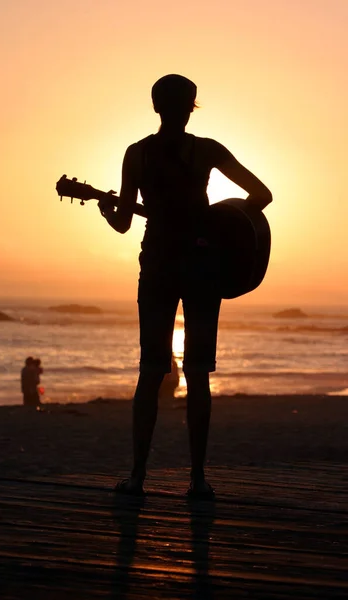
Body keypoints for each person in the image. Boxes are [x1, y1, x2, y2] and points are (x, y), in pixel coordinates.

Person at [98, 74, 272, 498]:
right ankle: (197, 480)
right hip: (203, 269)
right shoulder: (207, 150)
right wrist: (219, 226)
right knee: (196, 374)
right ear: (192, 105)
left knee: (150, 372)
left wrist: (106, 209)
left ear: (155, 107)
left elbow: (123, 223)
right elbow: (262, 195)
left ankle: (137, 477)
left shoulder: (136, 154)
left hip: (157, 267)